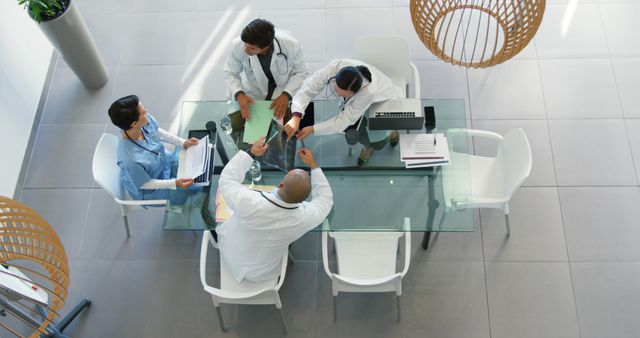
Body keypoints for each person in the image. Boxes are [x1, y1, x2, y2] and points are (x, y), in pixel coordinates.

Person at [216, 137, 333, 282]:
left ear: (281, 185)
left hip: (232, 257)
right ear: (304, 199)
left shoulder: (250, 203)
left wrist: (251, 153)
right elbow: (325, 200)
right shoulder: (305, 218)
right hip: (262, 272)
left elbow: (226, 180)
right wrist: (313, 165)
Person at [284, 59, 404, 165]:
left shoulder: (367, 92)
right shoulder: (334, 67)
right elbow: (307, 88)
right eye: (336, 88)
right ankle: (368, 147)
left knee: (378, 143)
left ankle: (392, 133)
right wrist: (296, 116)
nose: (336, 94)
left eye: (341, 93)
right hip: (358, 105)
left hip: (381, 101)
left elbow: (343, 121)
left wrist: (313, 129)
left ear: (354, 93)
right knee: (359, 131)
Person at [108, 95, 200, 207]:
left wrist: (182, 142)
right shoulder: (131, 161)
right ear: (134, 124)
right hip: (151, 187)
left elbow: (156, 131)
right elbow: (145, 184)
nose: (146, 111)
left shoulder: (135, 123)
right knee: (195, 186)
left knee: (195, 164)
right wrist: (174, 183)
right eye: (143, 112)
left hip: (162, 162)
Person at [224, 18, 310, 122]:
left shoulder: (291, 45)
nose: (245, 50)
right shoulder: (237, 45)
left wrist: (286, 94)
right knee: (251, 131)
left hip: (281, 92)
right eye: (245, 44)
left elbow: (301, 72)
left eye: (251, 48)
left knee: (278, 130)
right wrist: (239, 94)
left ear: (265, 47)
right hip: (252, 93)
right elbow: (230, 72)